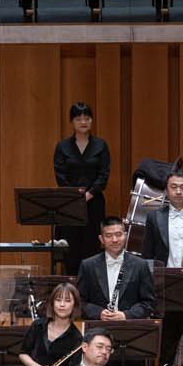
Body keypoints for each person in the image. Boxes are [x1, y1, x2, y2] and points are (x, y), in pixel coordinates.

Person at [53, 101, 110, 272]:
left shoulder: (101, 145)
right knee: (70, 247)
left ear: (92, 120)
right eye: (78, 118)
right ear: (72, 122)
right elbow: (60, 175)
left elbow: (104, 175)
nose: (83, 122)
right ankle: (71, 289)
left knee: (92, 246)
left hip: (94, 203)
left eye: (87, 118)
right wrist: (76, 197)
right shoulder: (62, 146)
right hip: (70, 204)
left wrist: (89, 194)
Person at [79, 215, 156, 320]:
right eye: (109, 235)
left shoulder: (140, 265)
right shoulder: (88, 265)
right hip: (97, 327)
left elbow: (149, 303)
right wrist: (99, 313)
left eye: (118, 235)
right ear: (101, 239)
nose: (114, 240)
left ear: (125, 235)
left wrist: (126, 315)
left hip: (129, 327)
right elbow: (79, 302)